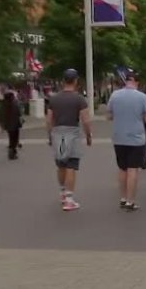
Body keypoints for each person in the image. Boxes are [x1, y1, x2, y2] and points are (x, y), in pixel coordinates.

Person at [46, 69, 93, 211]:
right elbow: (85, 120)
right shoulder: (79, 99)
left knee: (61, 164)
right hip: (72, 132)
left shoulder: (54, 99)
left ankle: (62, 192)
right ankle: (69, 199)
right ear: (76, 81)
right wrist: (89, 135)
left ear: (63, 81)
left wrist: (50, 135)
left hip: (58, 132)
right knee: (71, 165)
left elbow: (49, 120)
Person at [107, 71, 146, 211]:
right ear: (137, 82)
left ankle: (123, 197)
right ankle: (130, 201)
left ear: (125, 81)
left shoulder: (114, 95)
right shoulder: (142, 97)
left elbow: (109, 116)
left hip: (119, 137)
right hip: (136, 137)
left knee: (122, 168)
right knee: (133, 169)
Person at [2, 92, 23, 160]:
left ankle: (12, 151)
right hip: (15, 124)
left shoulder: (5, 105)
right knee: (15, 139)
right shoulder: (15, 104)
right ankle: (12, 152)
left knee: (11, 138)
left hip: (8, 124)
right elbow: (19, 113)